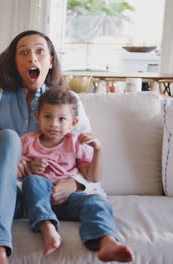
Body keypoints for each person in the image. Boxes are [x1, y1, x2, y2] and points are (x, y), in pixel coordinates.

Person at [0, 30, 99, 264]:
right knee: (8, 138)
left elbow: (86, 150)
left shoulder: (69, 102)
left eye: (40, 51)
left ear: (50, 61)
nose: (32, 58)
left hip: (27, 191)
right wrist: (10, 158)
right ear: (15, 62)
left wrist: (75, 183)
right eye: (24, 52)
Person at [20, 89, 134, 262]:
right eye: (48, 117)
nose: (54, 124)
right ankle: (46, 227)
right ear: (37, 117)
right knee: (33, 181)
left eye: (62, 119)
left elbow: (93, 177)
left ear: (73, 123)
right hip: (38, 201)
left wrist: (98, 149)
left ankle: (106, 241)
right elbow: (14, 167)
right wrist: (29, 165)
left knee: (96, 201)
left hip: (69, 201)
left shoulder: (74, 143)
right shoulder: (27, 141)